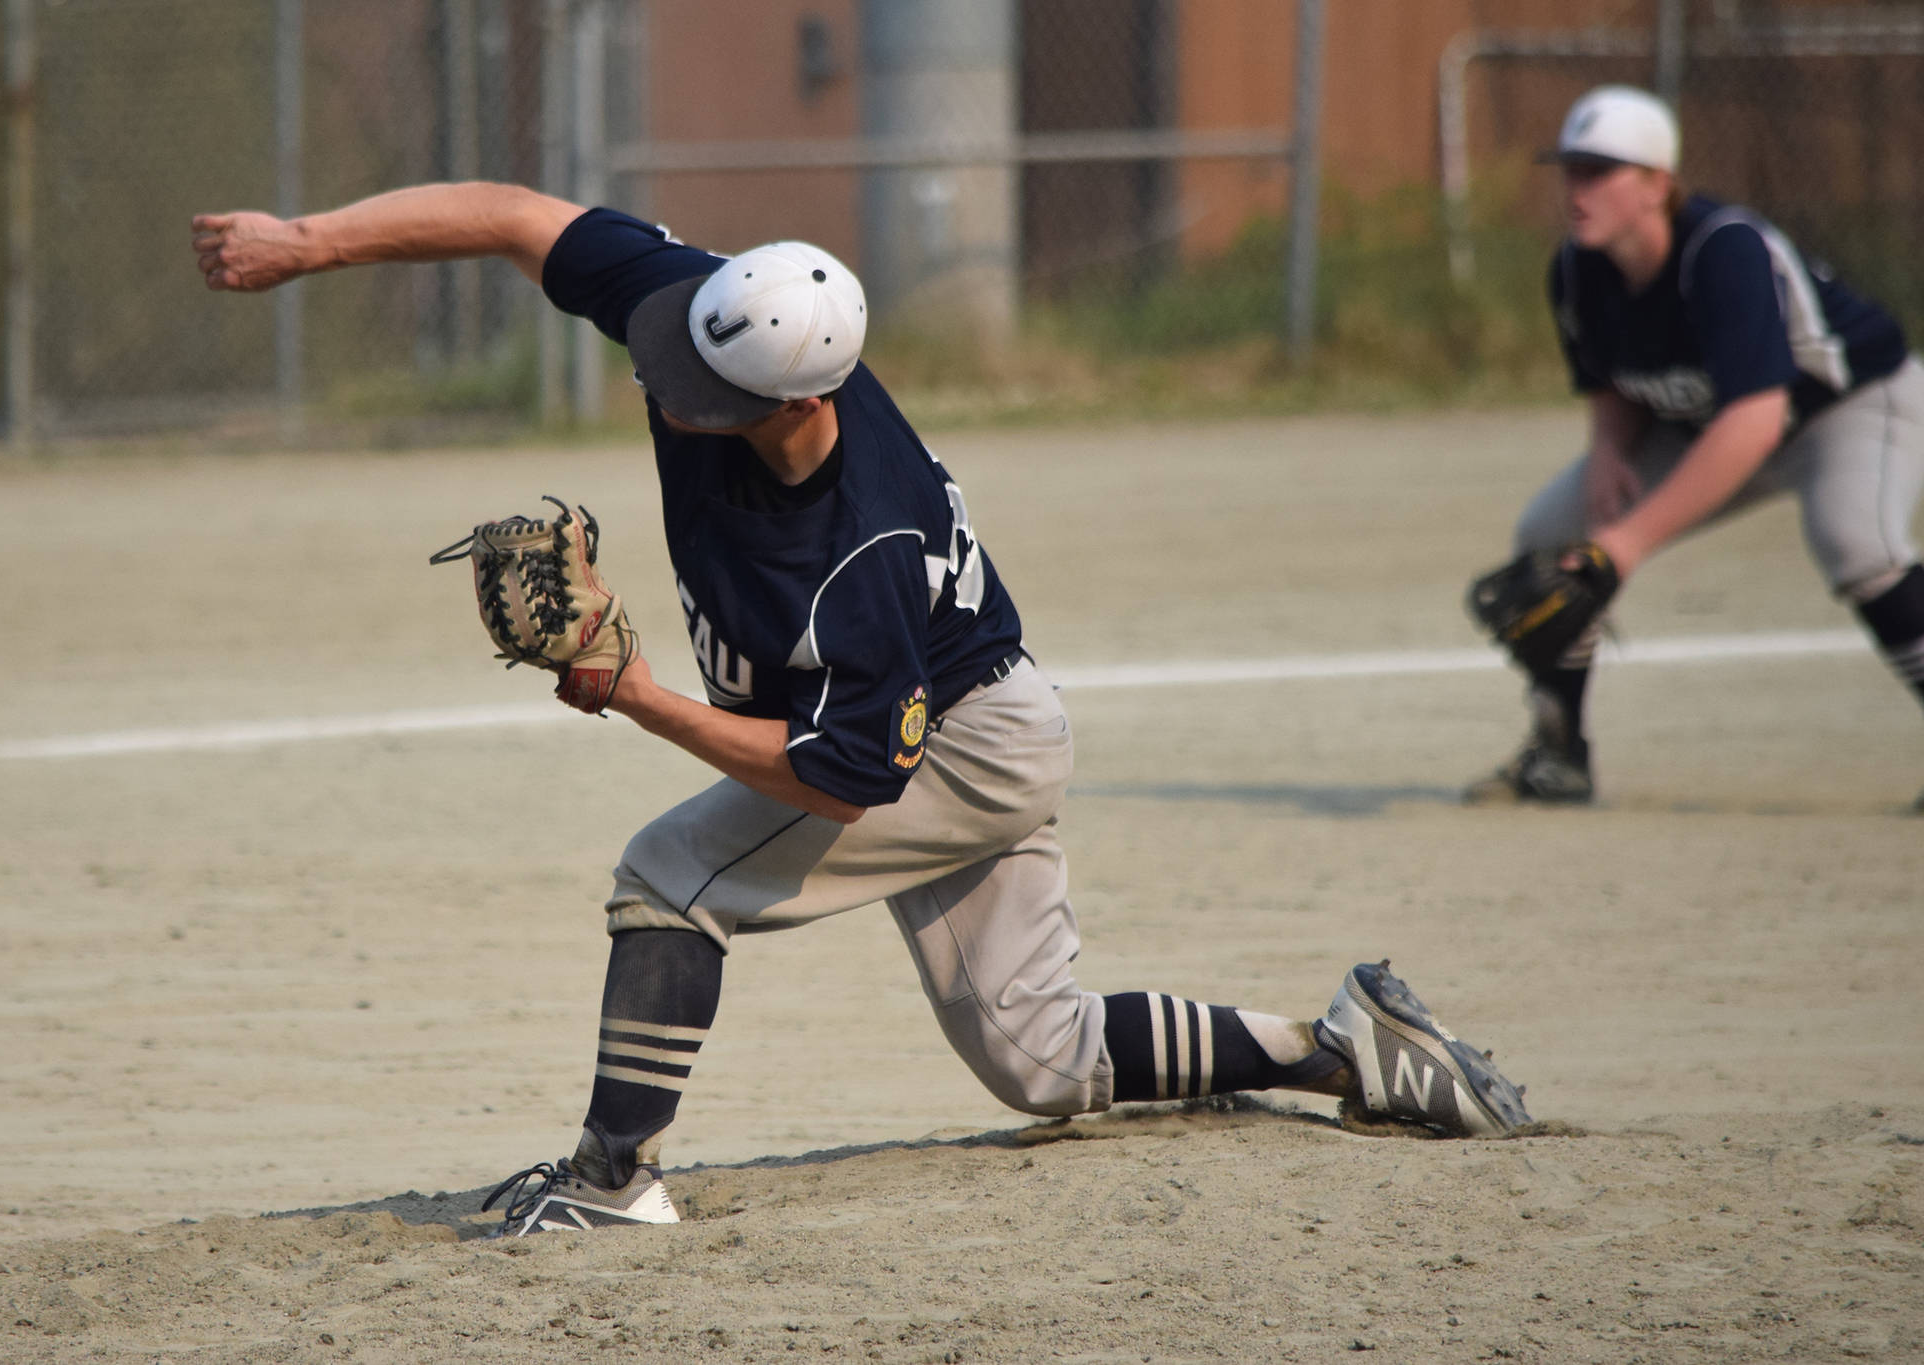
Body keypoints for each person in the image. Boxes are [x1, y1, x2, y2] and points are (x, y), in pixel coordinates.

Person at [192, 183, 1532, 1234]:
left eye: (703, 398)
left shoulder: (854, 551)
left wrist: (636, 694)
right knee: (1041, 1061)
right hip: (963, 713)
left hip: (957, 747)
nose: (666, 390)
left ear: (802, 403)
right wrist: (308, 244)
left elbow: (837, 781)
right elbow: (511, 217)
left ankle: (614, 1181)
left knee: (668, 878)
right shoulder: (702, 308)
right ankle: (1347, 1048)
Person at [1467, 85, 1924, 808]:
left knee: (1857, 543)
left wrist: (1623, 547)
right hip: (1711, 425)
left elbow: (1755, 419)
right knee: (1552, 536)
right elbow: (1613, 377)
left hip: (1851, 406)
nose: (1577, 188)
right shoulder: (1577, 269)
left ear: (1657, 185)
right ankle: (1557, 757)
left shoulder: (1723, 251)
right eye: (1571, 169)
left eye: (1600, 171)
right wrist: (1612, 451)